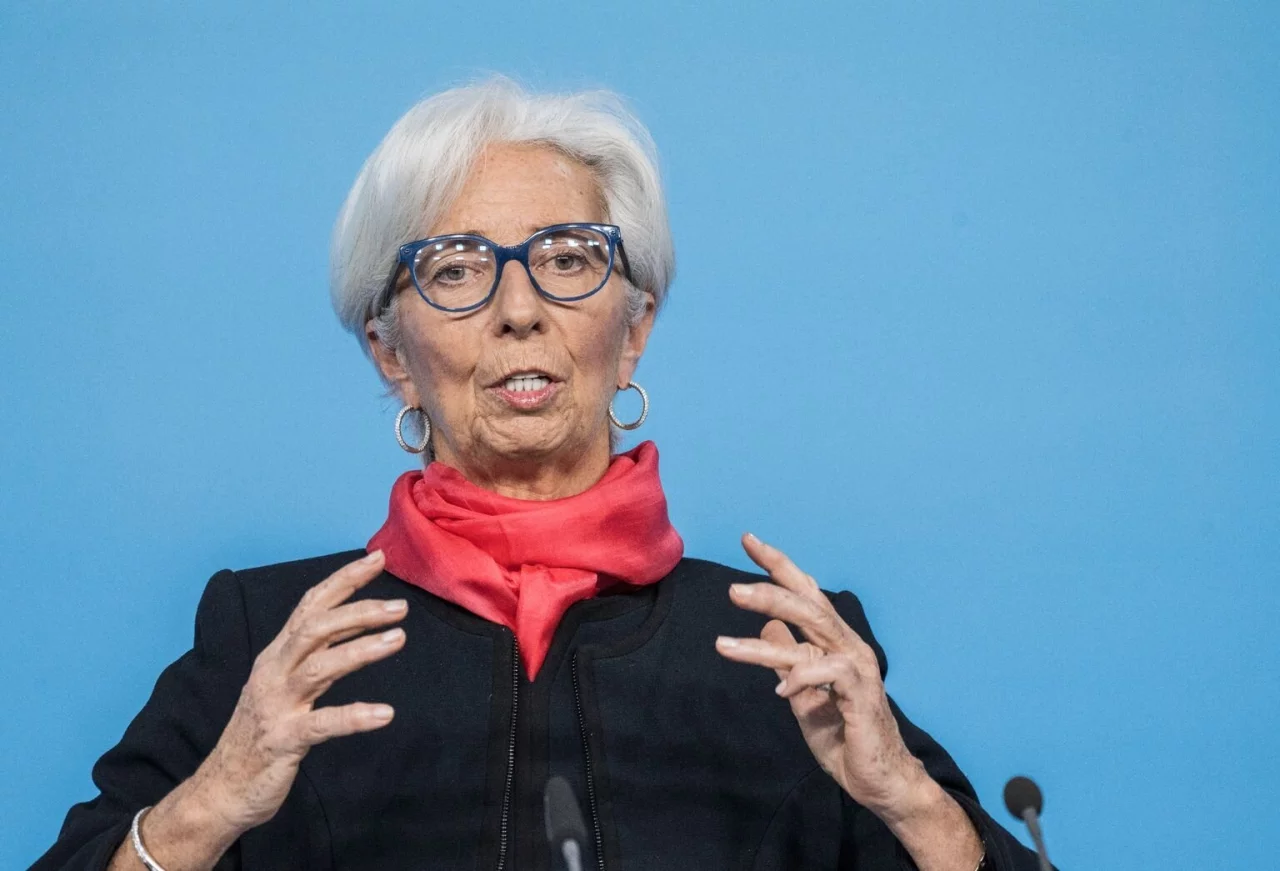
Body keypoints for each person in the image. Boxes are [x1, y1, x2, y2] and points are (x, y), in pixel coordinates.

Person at [33, 78, 1047, 871]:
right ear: (391, 353)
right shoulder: (273, 638)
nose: (518, 309)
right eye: (456, 269)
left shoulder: (784, 648)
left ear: (633, 329)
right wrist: (212, 802)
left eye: (566, 259)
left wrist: (909, 801)